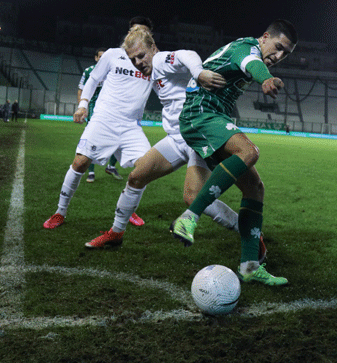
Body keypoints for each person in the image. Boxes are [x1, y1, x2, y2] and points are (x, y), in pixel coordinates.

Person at [83, 29, 266, 261]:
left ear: (153, 48)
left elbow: (186, 55)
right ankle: (116, 233)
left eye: (141, 56)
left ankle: (249, 232)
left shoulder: (160, 60)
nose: (138, 63)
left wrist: (199, 73)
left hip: (196, 136)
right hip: (176, 138)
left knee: (193, 198)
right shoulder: (149, 70)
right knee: (135, 178)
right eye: (133, 59)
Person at [170, 19, 297, 286]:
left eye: (286, 53)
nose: (279, 56)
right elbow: (252, 64)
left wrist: (267, 76)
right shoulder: (247, 49)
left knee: (255, 187)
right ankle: (189, 218)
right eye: (278, 47)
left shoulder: (251, 51)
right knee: (249, 151)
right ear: (264, 37)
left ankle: (250, 266)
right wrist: (267, 79)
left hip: (212, 118)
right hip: (200, 115)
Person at [43, 21, 155, 231]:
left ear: (149, 37)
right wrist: (83, 105)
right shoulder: (113, 54)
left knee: (146, 168)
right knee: (80, 163)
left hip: (131, 126)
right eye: (133, 30)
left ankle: (127, 208)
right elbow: (93, 79)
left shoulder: (154, 62)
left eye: (141, 31)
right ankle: (60, 212)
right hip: (104, 120)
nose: (136, 33)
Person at [77, 49, 123, 183]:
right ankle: (91, 172)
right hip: (94, 109)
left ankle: (111, 166)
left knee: (119, 139)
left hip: (112, 108)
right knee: (92, 139)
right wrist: (82, 107)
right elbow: (81, 90)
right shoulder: (88, 71)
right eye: (101, 57)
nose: (103, 59)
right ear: (96, 58)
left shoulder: (114, 70)